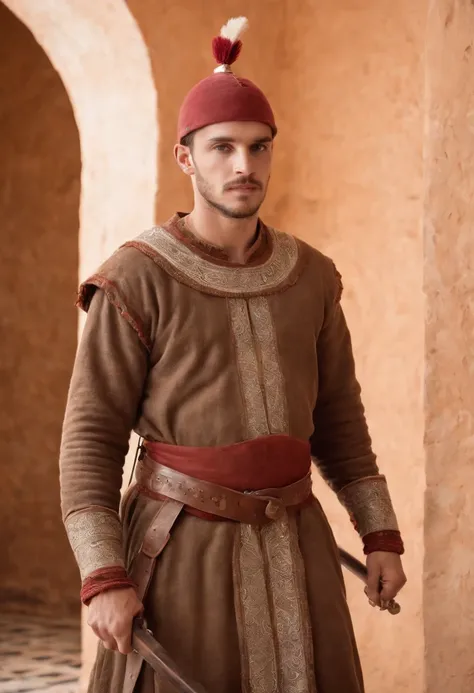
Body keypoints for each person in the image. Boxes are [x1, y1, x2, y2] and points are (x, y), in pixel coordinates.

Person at [59, 16, 406, 693]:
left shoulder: (311, 276)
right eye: (221, 148)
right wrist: (103, 577)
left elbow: (339, 422)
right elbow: (89, 443)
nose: (243, 165)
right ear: (187, 158)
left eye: (258, 147)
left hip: (299, 546)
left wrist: (380, 533)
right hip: (181, 553)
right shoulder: (134, 279)